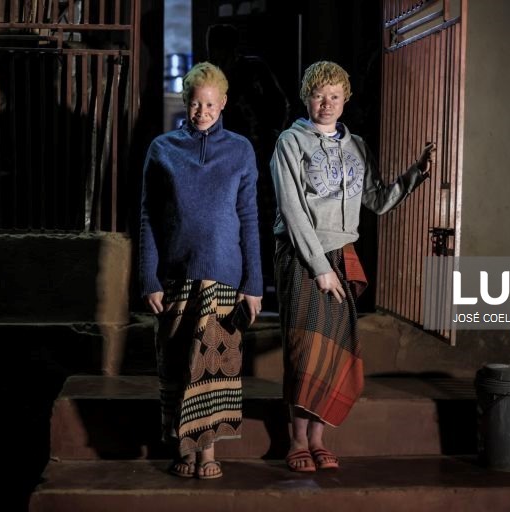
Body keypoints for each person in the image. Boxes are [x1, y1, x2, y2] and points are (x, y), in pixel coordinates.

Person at [270, 60, 434, 472]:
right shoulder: (291, 143)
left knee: (335, 351)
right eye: (319, 95)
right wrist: (318, 267)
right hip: (302, 255)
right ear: (307, 97)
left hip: (343, 254)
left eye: (335, 96)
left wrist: (415, 175)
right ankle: (296, 440)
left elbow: (377, 200)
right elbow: (292, 210)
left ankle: (319, 438)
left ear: (346, 100)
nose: (326, 103)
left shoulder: (357, 145)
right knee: (305, 349)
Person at [138, 61, 263, 480]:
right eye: (195, 103)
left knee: (211, 370)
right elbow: (149, 217)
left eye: (210, 104)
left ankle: (207, 450)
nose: (202, 112)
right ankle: (183, 448)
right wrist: (149, 277)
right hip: (176, 275)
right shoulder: (162, 149)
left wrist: (255, 284)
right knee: (177, 364)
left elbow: (249, 216)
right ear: (185, 101)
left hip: (224, 276)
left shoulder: (241, 150)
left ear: (223, 102)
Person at [206, 23, 290, 300]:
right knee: (232, 218)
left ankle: (268, 279)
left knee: (264, 216)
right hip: (227, 160)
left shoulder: (251, 69)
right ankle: (240, 278)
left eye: (219, 46)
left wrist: (270, 135)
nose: (216, 52)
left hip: (257, 153)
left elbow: (279, 105)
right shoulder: (212, 76)